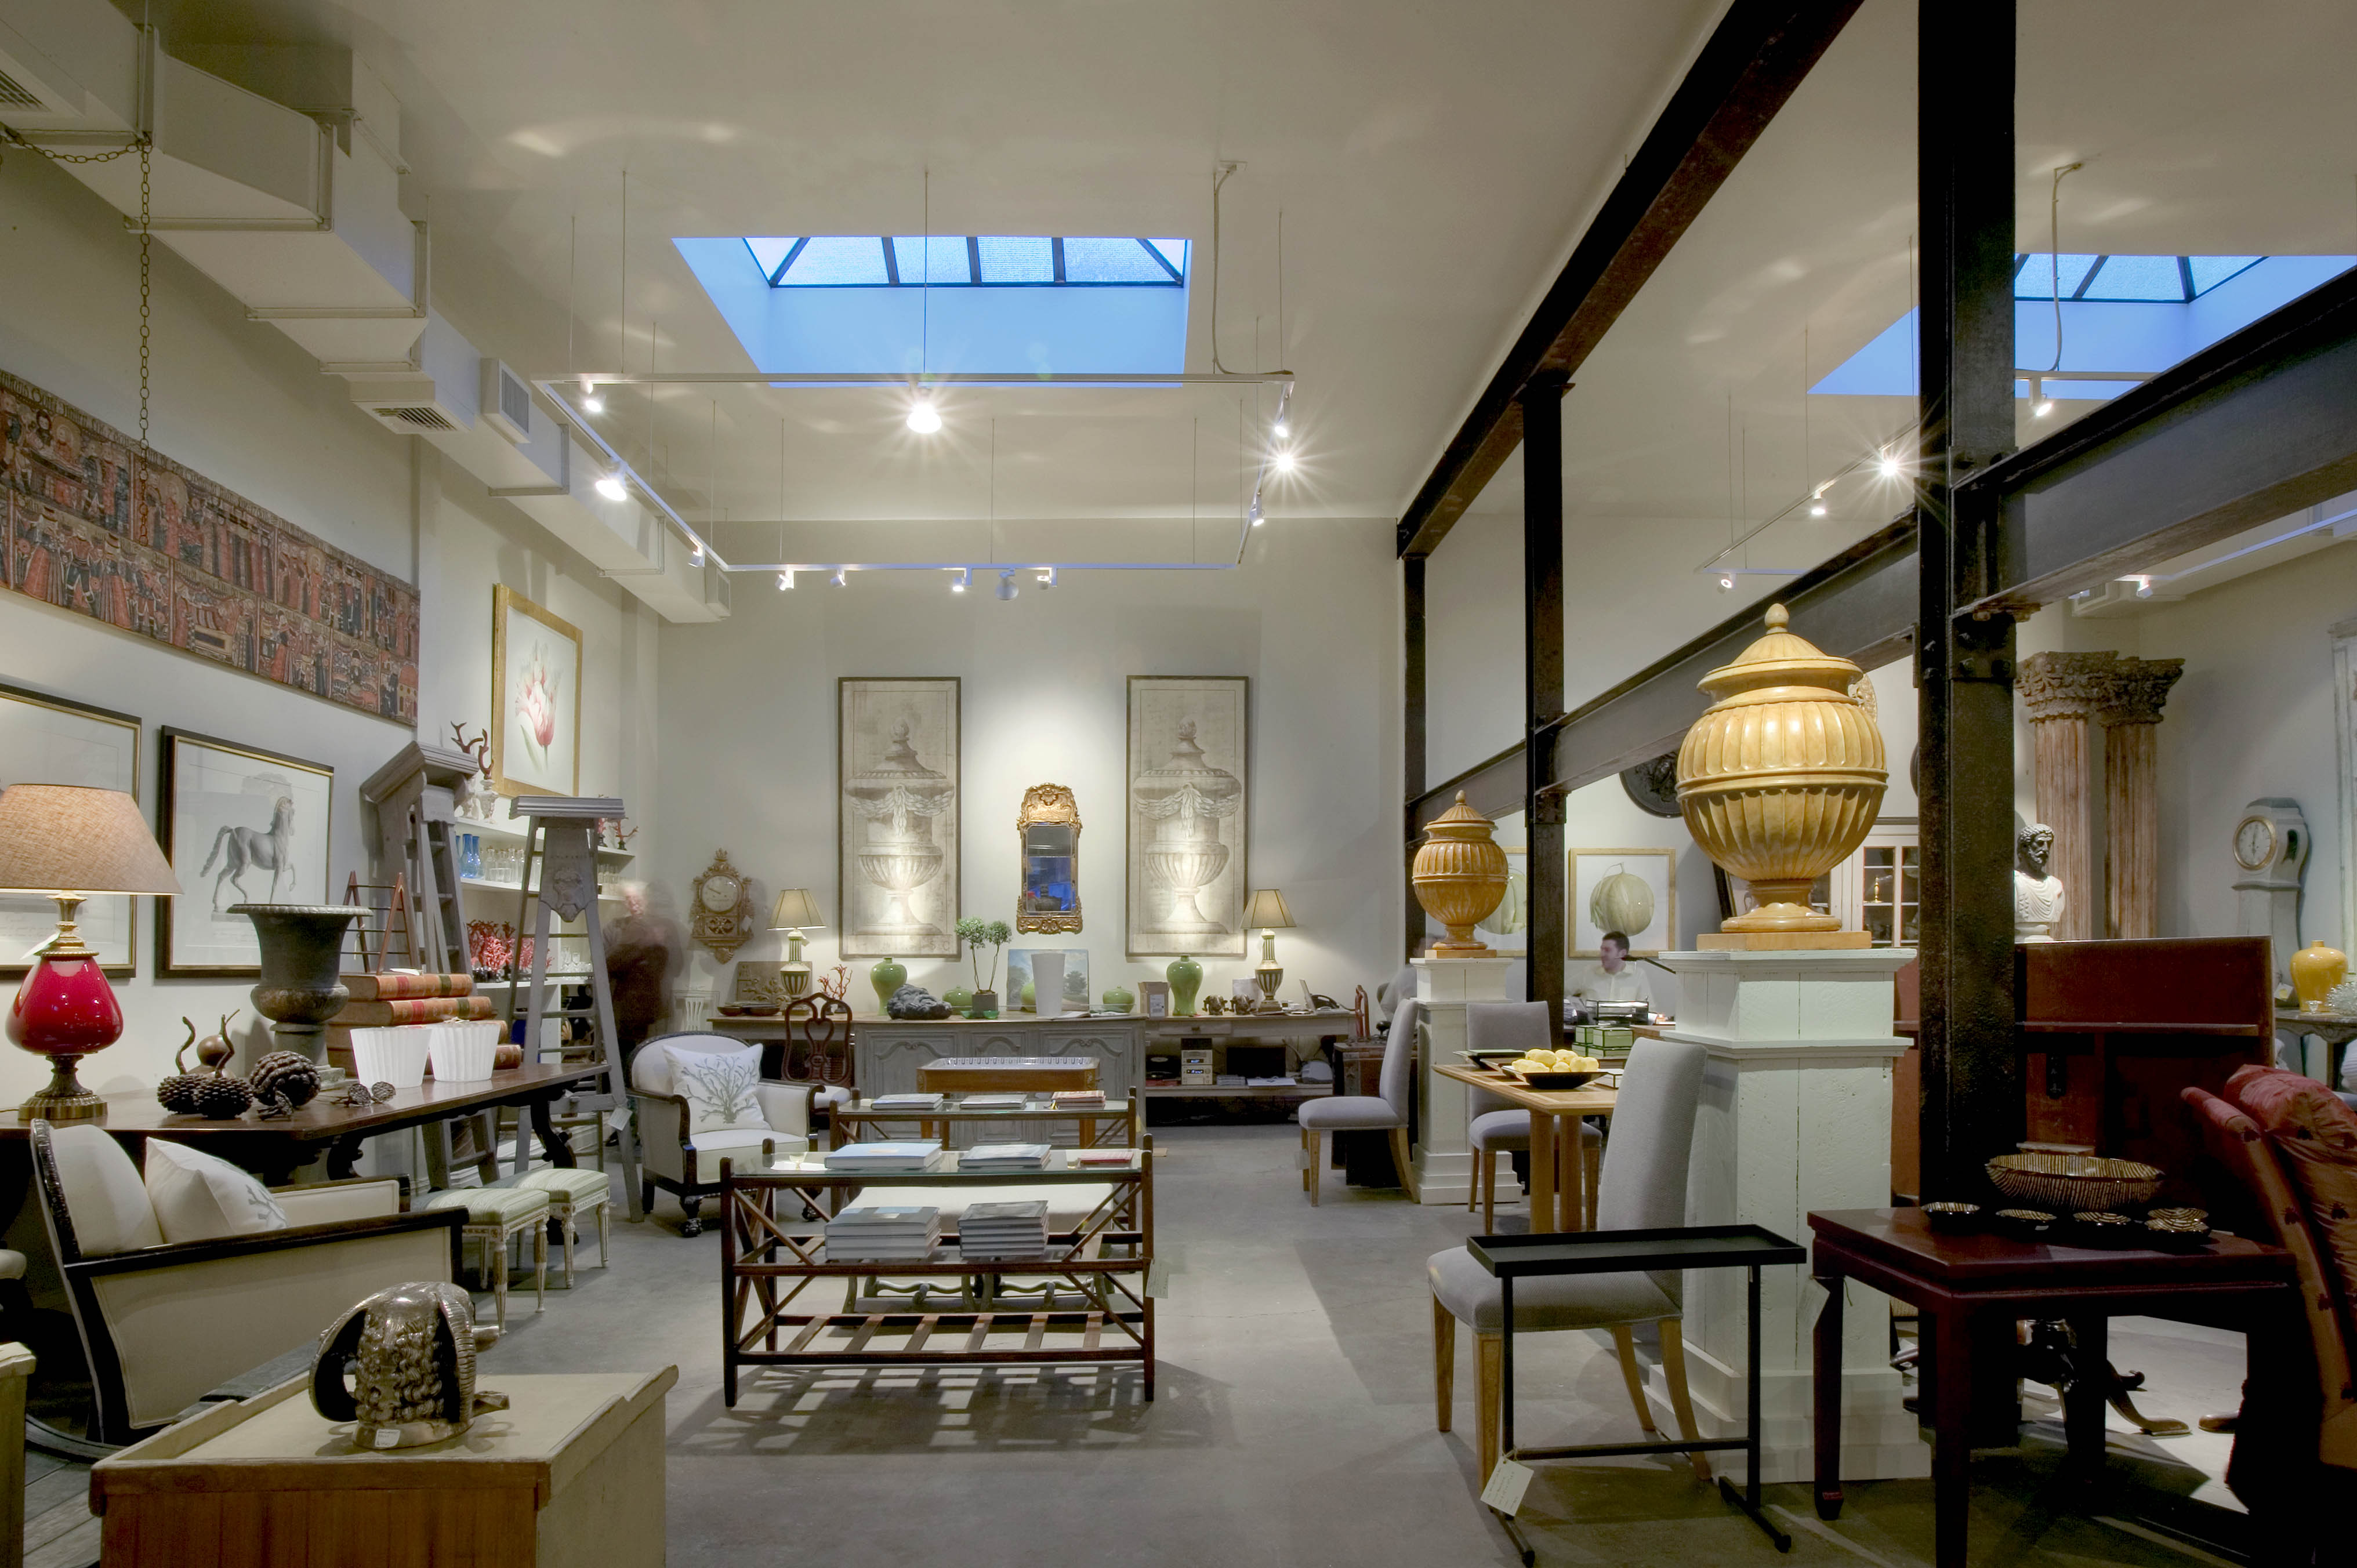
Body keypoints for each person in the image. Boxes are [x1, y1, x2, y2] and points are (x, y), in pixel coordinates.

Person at [1571, 931, 1654, 1009]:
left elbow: (1649, 1010)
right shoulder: (1588, 972)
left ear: (1622, 954)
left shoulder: (1638, 975)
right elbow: (1560, 991)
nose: (1602, 954)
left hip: (1624, 1024)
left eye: (1607, 950)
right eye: (1602, 950)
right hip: (1591, 1023)